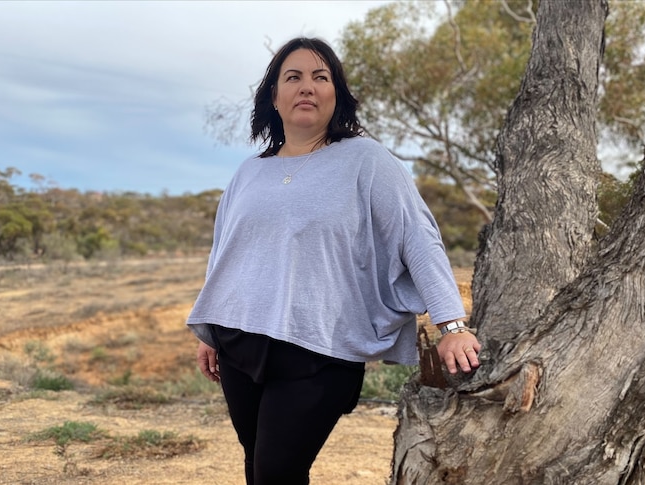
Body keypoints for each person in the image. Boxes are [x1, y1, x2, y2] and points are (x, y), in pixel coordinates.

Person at [187, 37, 480, 485]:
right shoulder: (248, 172)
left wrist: (452, 326)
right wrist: (208, 328)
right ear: (274, 96)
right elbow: (226, 253)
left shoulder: (367, 160)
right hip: (238, 344)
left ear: (336, 94)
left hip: (320, 349)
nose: (307, 87)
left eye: (320, 77)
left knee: (277, 471)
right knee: (257, 464)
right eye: (294, 77)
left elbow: (417, 237)